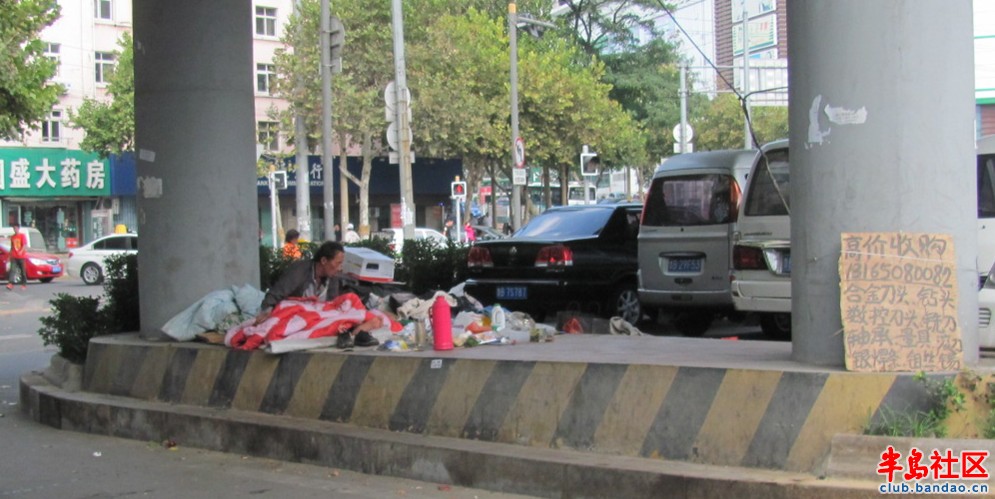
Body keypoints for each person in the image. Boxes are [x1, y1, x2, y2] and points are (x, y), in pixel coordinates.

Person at [254, 241, 380, 348]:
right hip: (299, 315)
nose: (340, 268)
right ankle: (354, 333)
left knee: (363, 311)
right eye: (337, 263)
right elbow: (276, 293)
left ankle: (357, 333)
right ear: (324, 260)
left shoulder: (333, 277)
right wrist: (267, 310)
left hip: (319, 315)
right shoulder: (299, 271)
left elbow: (333, 304)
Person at [7, 223, 27, 290]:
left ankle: (24, 284)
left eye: (16, 228)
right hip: (14, 256)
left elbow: (24, 245)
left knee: (23, 271)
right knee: (12, 270)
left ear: (18, 228)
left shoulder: (22, 236)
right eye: (14, 228)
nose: (15, 229)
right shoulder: (12, 237)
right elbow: (12, 247)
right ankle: (10, 284)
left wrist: (21, 251)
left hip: (21, 257)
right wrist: (9, 256)